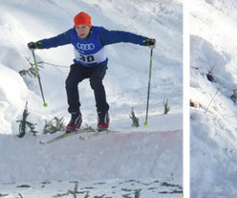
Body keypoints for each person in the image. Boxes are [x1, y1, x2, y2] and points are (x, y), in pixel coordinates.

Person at [28, 11, 156, 132]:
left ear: (90, 26)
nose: (81, 31)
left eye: (84, 27)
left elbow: (123, 36)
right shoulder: (72, 35)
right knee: (70, 83)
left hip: (98, 66)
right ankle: (75, 116)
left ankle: (103, 115)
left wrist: (145, 41)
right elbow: (55, 41)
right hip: (80, 66)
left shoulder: (100, 34)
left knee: (95, 81)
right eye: (78, 27)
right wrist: (37, 45)